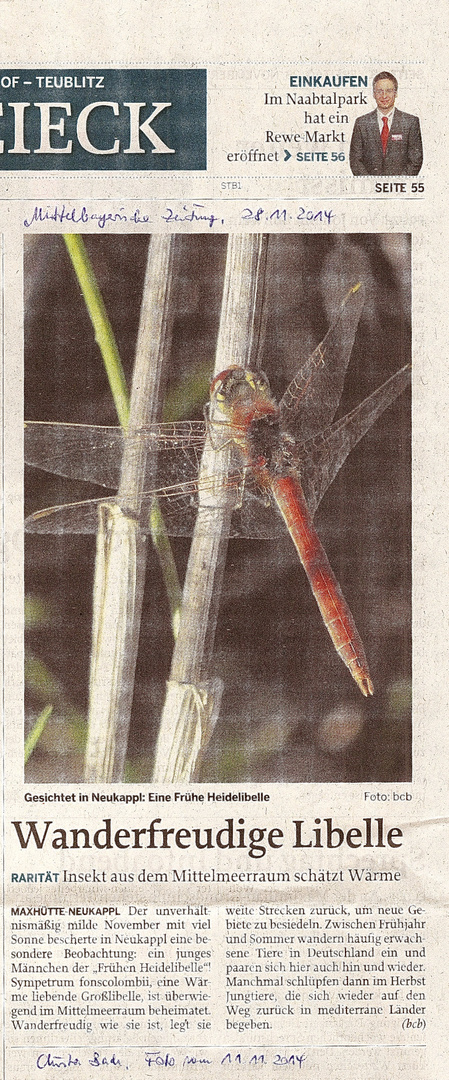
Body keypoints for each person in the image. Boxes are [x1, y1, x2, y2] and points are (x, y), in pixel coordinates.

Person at [349, 72, 423, 176]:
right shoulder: (361, 123)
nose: (384, 96)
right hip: (370, 189)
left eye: (389, 91)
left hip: (400, 189)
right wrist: (372, 185)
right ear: (374, 94)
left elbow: (416, 160)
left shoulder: (410, 122)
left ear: (395, 93)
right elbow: (355, 161)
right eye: (379, 91)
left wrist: (396, 185)